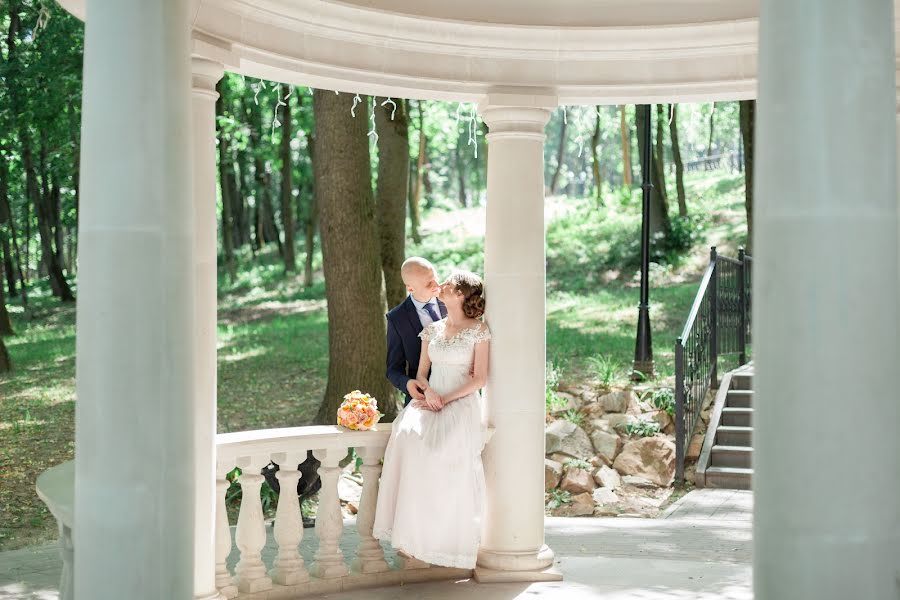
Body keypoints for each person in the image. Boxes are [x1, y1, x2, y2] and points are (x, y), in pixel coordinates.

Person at [373, 271, 490, 569]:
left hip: (460, 402)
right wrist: (427, 392)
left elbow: (479, 379)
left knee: (443, 452)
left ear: (462, 294)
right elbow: (421, 372)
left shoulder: (479, 330)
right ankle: (413, 534)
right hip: (430, 398)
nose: (443, 285)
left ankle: (445, 538)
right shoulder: (432, 330)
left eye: (450, 284)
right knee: (408, 437)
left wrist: (446, 399)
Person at [386, 257, 447, 406]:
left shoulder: (451, 299)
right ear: (410, 288)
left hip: (457, 388)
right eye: (428, 283)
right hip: (423, 394)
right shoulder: (397, 318)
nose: (437, 285)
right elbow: (393, 369)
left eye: (435, 278)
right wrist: (407, 384)